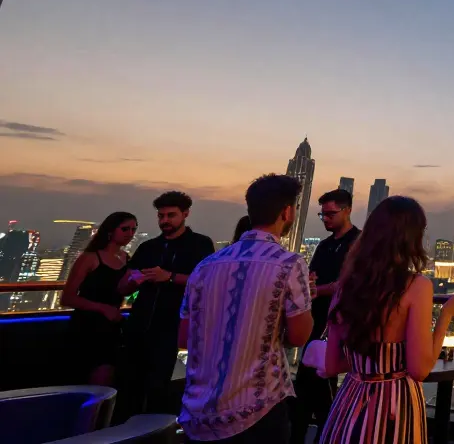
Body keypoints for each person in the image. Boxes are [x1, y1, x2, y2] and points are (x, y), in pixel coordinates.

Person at [319, 196, 454, 443]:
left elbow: (332, 365)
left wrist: (368, 364)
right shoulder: (416, 286)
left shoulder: (345, 286)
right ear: (410, 238)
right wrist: (446, 314)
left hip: (349, 403)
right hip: (394, 408)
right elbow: (419, 369)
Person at [178, 174, 313, 442]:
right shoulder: (289, 264)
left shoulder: (205, 266)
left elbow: (184, 337)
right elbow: (299, 337)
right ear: (287, 212)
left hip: (198, 413)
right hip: (257, 410)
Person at [116, 191, 215, 420]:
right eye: (161, 216)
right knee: (129, 388)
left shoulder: (199, 245)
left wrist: (169, 277)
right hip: (138, 326)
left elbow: (207, 283)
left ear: (185, 214)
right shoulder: (148, 247)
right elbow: (122, 288)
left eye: (171, 215)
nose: (165, 221)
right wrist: (133, 280)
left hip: (173, 329)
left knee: (159, 391)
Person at [291, 189, 361, 444]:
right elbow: (314, 278)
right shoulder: (324, 245)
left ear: (347, 210)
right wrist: (312, 285)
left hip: (340, 324)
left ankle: (329, 434)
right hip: (316, 322)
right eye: (323, 214)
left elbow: (348, 284)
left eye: (331, 213)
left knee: (324, 384)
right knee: (306, 384)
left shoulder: (359, 243)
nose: (325, 219)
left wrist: (317, 289)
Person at [62, 212, 137, 386]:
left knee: (106, 379)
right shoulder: (89, 258)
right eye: (125, 229)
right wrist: (103, 308)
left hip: (111, 328)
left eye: (133, 229)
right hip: (86, 326)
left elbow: (124, 291)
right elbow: (67, 298)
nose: (130, 233)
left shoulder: (126, 259)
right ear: (110, 230)